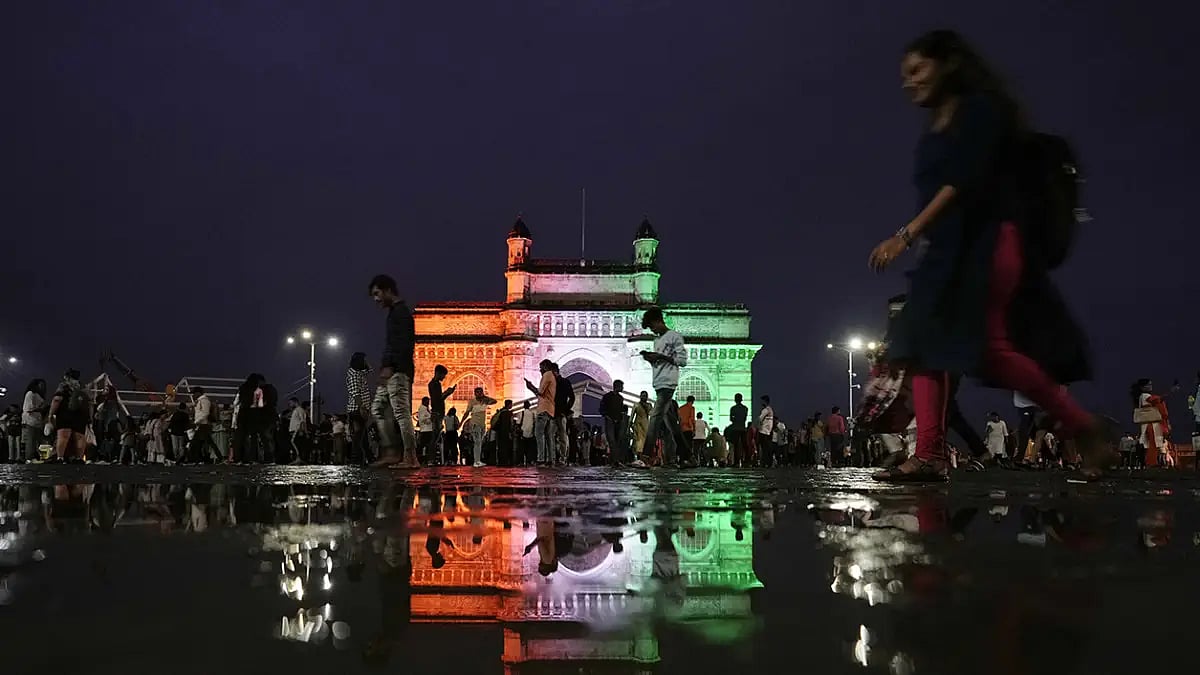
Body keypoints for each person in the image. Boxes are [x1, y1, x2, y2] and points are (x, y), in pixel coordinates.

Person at [870, 30, 1106, 482]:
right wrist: (924, 242)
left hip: (987, 245)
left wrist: (906, 234)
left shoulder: (981, 110)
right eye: (904, 74)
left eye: (917, 70)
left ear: (948, 65)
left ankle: (1083, 426)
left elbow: (962, 181)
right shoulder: (938, 123)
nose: (908, 82)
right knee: (920, 349)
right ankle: (930, 453)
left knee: (990, 353)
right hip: (947, 252)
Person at [368, 274, 419, 468]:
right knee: (378, 409)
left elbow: (403, 344)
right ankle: (391, 452)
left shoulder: (401, 313)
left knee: (401, 413)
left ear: (388, 290)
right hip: (390, 370)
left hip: (398, 371)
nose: (376, 299)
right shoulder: (395, 313)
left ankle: (410, 457)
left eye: (377, 293)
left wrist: (390, 366)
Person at [639, 308, 688, 467]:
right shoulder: (657, 341)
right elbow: (660, 362)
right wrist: (650, 358)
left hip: (668, 384)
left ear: (658, 321)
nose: (652, 330)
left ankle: (645, 457)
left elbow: (682, 361)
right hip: (659, 384)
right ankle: (689, 457)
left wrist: (660, 356)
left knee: (654, 418)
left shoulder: (674, 337)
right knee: (672, 425)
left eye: (652, 326)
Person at [46, 369, 91, 464]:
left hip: (65, 413)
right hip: (81, 414)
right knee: (80, 436)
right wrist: (89, 416)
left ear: (67, 376)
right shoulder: (84, 387)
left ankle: (60, 458)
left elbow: (57, 399)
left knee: (63, 436)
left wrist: (51, 414)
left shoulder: (63, 385)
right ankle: (79, 458)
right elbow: (89, 403)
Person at [1132, 378, 1177, 467]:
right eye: (1148, 385)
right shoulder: (1145, 396)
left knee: (1152, 444)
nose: (1150, 386)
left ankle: (1151, 462)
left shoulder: (1142, 397)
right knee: (1154, 443)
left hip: (1149, 423)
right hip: (1151, 423)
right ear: (1142, 388)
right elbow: (1156, 400)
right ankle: (1151, 462)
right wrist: (1170, 392)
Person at [525, 360, 557, 465]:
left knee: (539, 434)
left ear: (546, 367)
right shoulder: (553, 376)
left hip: (543, 409)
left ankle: (541, 458)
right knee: (548, 436)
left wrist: (530, 387)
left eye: (541, 367)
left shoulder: (547, 375)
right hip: (550, 409)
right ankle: (550, 459)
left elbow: (540, 392)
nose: (540, 370)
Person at [427, 365, 456, 465]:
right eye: (443, 375)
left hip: (437, 413)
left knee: (435, 438)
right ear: (438, 373)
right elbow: (437, 400)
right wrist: (447, 393)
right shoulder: (434, 384)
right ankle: (431, 460)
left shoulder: (434, 384)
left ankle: (432, 459)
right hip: (437, 413)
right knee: (434, 438)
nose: (444, 378)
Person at [461, 387, 497, 468]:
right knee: (477, 442)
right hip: (475, 424)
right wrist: (461, 423)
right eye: (477, 392)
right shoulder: (472, 402)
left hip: (482, 424)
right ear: (475, 393)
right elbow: (467, 412)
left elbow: (494, 401)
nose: (479, 393)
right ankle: (476, 461)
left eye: (480, 392)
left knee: (479, 443)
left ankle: (478, 460)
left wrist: (485, 398)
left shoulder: (485, 401)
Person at [600, 380, 628, 465]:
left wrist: (624, 409)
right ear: (617, 386)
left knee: (617, 441)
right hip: (610, 421)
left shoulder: (620, 398)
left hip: (618, 422)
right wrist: (607, 416)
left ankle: (615, 460)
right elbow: (602, 408)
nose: (623, 388)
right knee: (612, 441)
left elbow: (621, 409)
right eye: (622, 386)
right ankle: (615, 460)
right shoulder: (607, 396)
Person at [20, 379, 46, 462]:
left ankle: (35, 455)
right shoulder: (30, 393)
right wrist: (40, 409)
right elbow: (28, 408)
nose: (42, 387)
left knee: (36, 439)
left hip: (37, 419)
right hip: (30, 419)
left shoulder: (39, 395)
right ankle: (29, 457)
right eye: (40, 385)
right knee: (31, 439)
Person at [630, 391, 651, 467]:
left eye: (645, 396)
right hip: (637, 426)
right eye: (642, 396)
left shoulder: (649, 405)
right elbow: (632, 416)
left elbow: (651, 414)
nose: (644, 397)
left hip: (646, 426)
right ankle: (638, 459)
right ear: (640, 396)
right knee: (638, 442)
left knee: (645, 442)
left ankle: (643, 460)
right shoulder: (636, 405)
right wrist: (629, 426)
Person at [728, 393, 749, 467]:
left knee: (736, 446)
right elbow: (745, 418)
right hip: (743, 428)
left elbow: (731, 419)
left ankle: (736, 462)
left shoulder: (733, 408)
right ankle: (746, 461)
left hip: (735, 428)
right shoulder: (745, 408)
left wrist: (735, 420)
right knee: (745, 445)